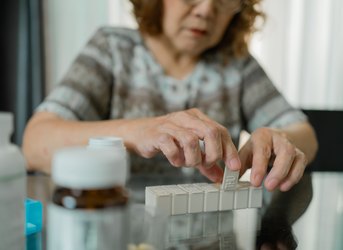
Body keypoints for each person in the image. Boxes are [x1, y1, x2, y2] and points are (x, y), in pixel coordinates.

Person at [23, 0, 318, 192]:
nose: (206, 10)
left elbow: (304, 134)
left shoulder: (237, 64)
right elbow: (35, 144)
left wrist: (279, 138)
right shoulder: (111, 48)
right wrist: (136, 131)